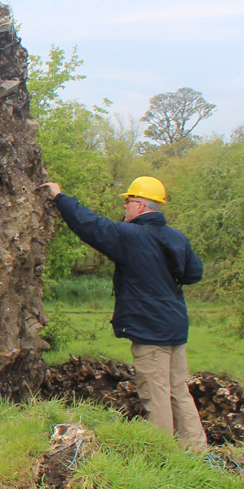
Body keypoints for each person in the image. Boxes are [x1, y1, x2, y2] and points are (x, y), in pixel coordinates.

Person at [39, 176, 208, 449]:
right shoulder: (177, 237)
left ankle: (163, 455)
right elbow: (193, 274)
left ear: (140, 206)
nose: (125, 209)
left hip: (151, 331)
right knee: (179, 390)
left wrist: (61, 198)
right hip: (176, 326)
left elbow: (90, 225)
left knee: (156, 394)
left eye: (128, 203)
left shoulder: (130, 236)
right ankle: (197, 450)